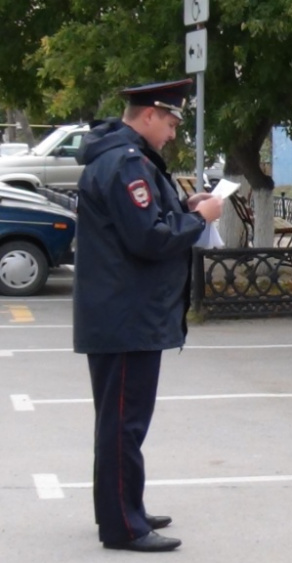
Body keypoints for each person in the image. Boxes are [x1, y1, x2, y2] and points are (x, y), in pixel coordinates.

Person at [74, 79, 224, 552]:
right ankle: (124, 524)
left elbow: (144, 221)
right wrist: (200, 219)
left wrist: (184, 207)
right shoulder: (126, 163)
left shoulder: (122, 158)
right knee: (124, 424)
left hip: (122, 311)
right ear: (149, 115)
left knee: (120, 422)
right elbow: (149, 238)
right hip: (127, 314)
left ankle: (123, 506)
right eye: (171, 123)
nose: (174, 134)